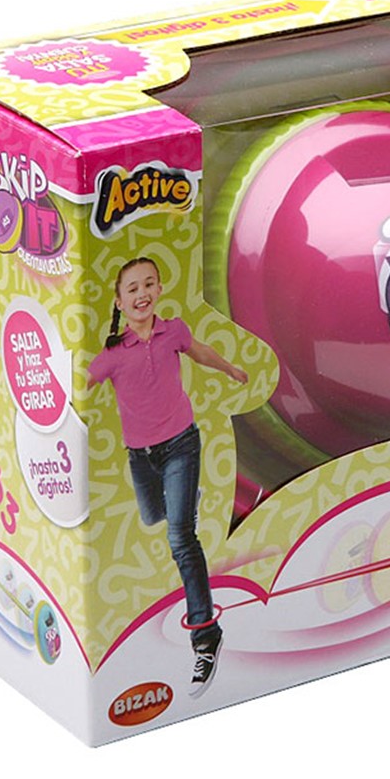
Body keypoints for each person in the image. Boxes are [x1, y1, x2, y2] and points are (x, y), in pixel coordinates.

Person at [87, 257, 248, 698]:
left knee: (180, 537)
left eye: (148, 285)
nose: (141, 294)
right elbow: (81, 387)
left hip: (181, 443)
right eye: (132, 289)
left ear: (158, 290)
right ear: (119, 302)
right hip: (140, 457)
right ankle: (183, 497)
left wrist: (230, 369)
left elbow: (201, 352)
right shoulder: (112, 355)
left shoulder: (172, 331)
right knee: (152, 516)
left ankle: (205, 634)